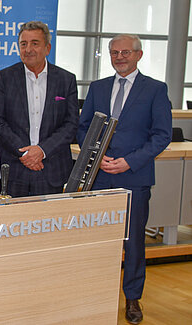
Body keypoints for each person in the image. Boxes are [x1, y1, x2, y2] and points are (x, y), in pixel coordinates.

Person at [77, 34, 171, 325]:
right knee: (96, 239)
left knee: (132, 243)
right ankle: (94, 292)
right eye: (114, 52)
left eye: (126, 52)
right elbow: (83, 128)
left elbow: (162, 135)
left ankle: (132, 298)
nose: (119, 57)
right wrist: (96, 155)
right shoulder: (98, 87)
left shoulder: (155, 89)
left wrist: (130, 161)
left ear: (139, 55)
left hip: (134, 176)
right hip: (99, 175)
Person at [0, 21, 78, 197]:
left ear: (48, 48)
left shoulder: (66, 79)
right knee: (12, 223)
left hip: (51, 169)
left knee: (49, 223)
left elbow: (71, 124)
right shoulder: (5, 78)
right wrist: (25, 153)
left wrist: (42, 150)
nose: (28, 49)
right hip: (15, 169)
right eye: (23, 44)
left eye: (35, 43)